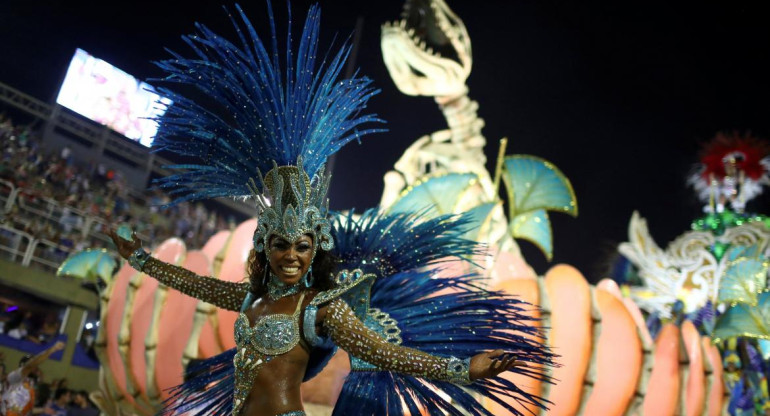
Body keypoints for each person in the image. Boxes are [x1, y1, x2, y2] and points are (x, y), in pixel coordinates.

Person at [107, 2, 553, 415]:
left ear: (315, 250)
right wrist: (140, 258)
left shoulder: (320, 309)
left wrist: (461, 369)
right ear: (267, 246)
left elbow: (386, 353)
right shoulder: (251, 298)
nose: (291, 256)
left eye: (302, 246)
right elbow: (194, 284)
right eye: (281, 245)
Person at [0, 341, 65, 416]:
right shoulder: (14, 377)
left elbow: (27, 410)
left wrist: (43, 410)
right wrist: (53, 349)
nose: (36, 366)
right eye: (33, 363)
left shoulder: (30, 385)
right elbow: (30, 366)